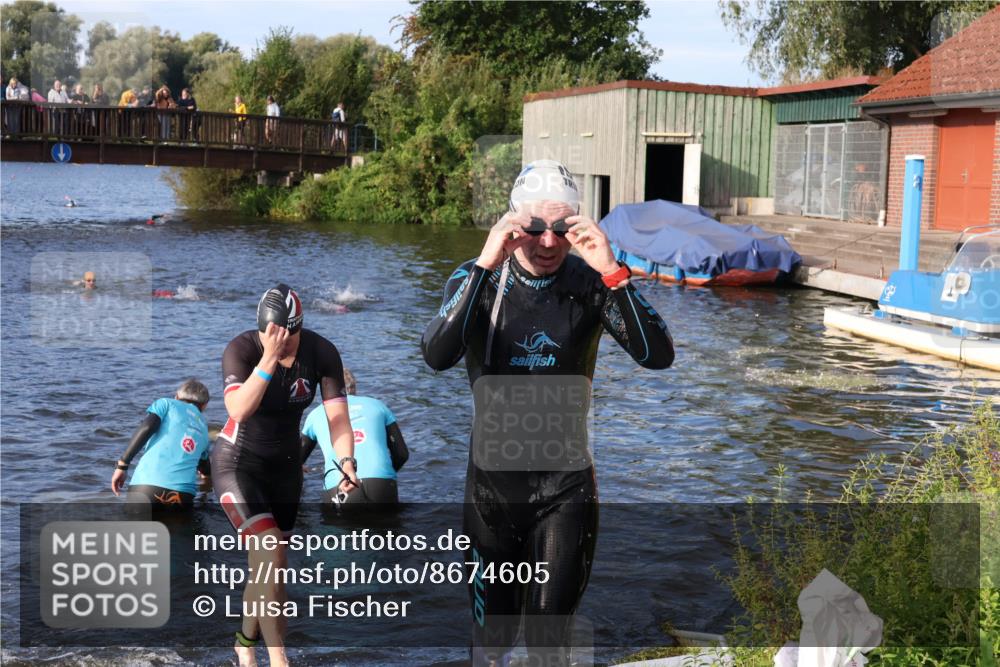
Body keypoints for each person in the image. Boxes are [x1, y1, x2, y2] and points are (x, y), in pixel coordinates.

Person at [421, 159, 674, 666]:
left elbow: (658, 355)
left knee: (547, 642)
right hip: (492, 494)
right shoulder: (478, 281)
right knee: (490, 643)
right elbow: (437, 354)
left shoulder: (593, 283)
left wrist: (613, 271)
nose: (549, 242)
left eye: (561, 228)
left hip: (566, 490)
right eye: (535, 227)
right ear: (512, 223)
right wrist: (484, 264)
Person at [212, 283, 357, 667]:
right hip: (237, 464)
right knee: (269, 549)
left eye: (285, 337)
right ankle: (279, 660)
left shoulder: (321, 352)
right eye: (269, 334)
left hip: (286, 471)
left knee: (268, 567)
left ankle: (244, 646)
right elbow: (238, 410)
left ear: (298, 327)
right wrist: (268, 360)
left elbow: (338, 419)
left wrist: (346, 461)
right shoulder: (241, 350)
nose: (277, 341)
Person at [301, 368, 408, 506]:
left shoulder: (315, 414)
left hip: (339, 484)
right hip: (381, 483)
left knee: (336, 527)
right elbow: (402, 454)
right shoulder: (378, 405)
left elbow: (294, 462)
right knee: (387, 526)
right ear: (354, 387)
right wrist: (385, 472)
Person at [111, 379, 211, 509]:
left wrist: (122, 465)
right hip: (182, 494)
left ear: (176, 396)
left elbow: (146, 428)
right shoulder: (203, 427)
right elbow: (205, 467)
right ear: (204, 406)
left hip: (145, 488)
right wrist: (207, 484)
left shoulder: (166, 404)